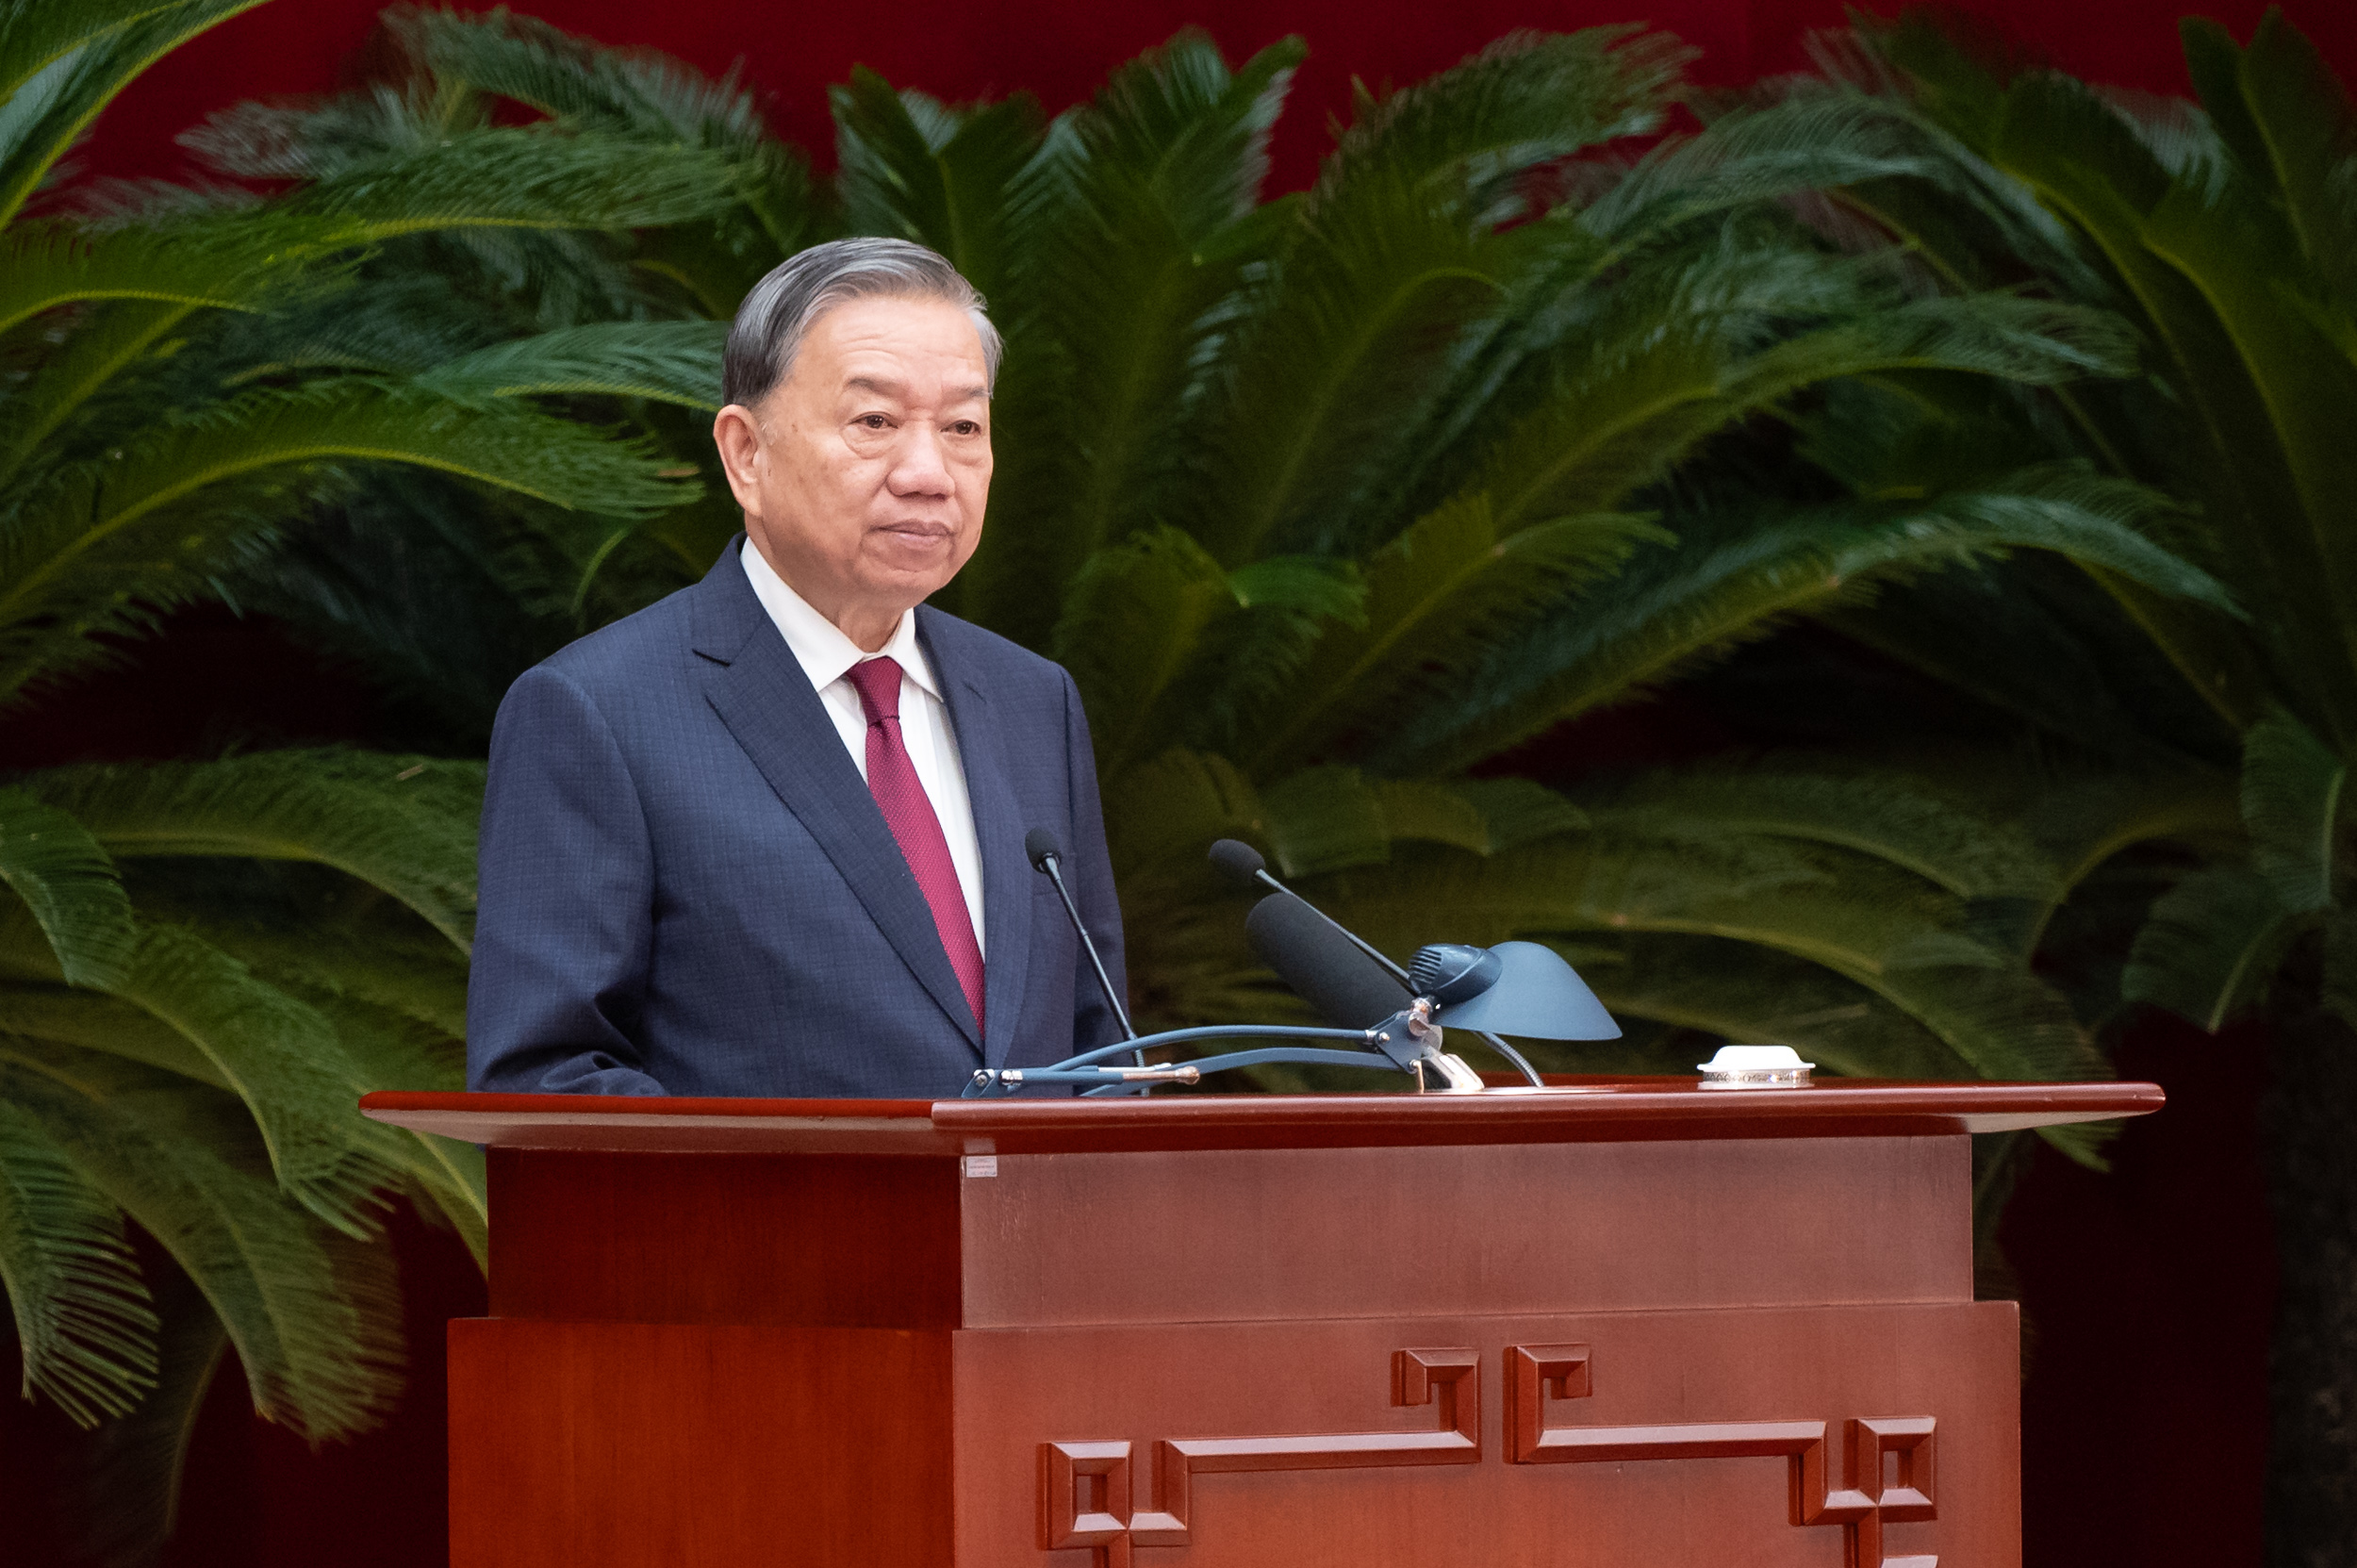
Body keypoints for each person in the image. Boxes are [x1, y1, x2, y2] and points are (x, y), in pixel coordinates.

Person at [465, 239, 1128, 1098]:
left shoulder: (1036, 700)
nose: (929, 473)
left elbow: (1100, 1048)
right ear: (746, 454)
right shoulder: (597, 711)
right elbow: (546, 1079)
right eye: (875, 423)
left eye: (964, 427)